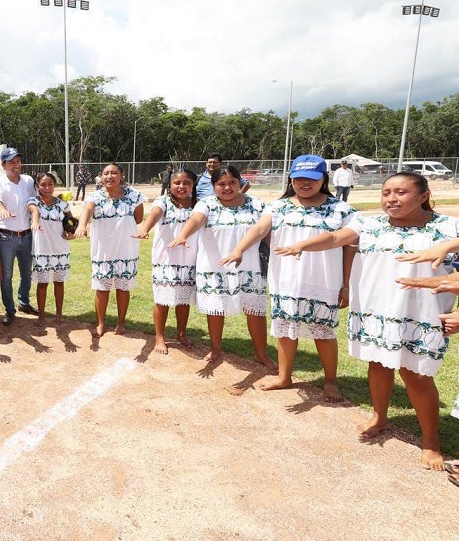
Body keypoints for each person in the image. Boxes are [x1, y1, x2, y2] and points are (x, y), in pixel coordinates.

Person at [276, 173, 456, 470]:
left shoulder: (447, 227)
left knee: (418, 377)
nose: (391, 199)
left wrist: (448, 246)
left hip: (420, 315)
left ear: (423, 196)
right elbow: (335, 238)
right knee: (379, 365)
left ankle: (430, 441)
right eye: (386, 192)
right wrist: (303, 245)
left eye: (401, 192)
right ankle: (380, 417)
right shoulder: (369, 224)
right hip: (377, 312)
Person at [220, 156, 356, 400]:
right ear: (291, 179)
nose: (305, 183)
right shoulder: (277, 207)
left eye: (312, 179)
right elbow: (259, 229)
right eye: (299, 178)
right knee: (285, 331)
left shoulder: (341, 210)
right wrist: (239, 249)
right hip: (286, 281)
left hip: (323, 282)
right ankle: (284, 376)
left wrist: (346, 286)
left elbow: (349, 248)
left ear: (323, 179)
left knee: (323, 332)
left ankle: (330, 381)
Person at [169, 165, 276, 368]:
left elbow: (266, 231)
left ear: (240, 183)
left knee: (255, 311)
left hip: (248, 267)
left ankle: (261, 353)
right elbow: (196, 219)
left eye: (232, 183)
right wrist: (183, 235)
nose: (227, 188)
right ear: (213, 185)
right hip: (214, 266)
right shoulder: (206, 204)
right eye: (221, 184)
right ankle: (216, 348)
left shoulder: (257, 204)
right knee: (216, 309)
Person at [75, 162, 145, 337]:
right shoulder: (95, 196)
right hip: (103, 249)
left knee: (123, 287)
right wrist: (82, 225)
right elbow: (87, 211)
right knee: (102, 288)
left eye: (114, 173)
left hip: (126, 249)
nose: (109, 176)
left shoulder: (135, 196)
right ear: (101, 176)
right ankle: (100, 323)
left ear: (121, 175)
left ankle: (121, 323)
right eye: (106, 173)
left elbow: (138, 218)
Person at [133, 168, 199, 354]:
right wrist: (145, 229)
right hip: (166, 258)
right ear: (169, 185)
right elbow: (154, 214)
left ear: (193, 185)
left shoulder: (199, 204)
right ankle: (159, 336)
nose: (182, 186)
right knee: (162, 300)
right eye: (177, 183)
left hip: (189, 258)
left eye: (186, 183)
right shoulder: (163, 201)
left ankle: (181, 333)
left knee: (183, 299)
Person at [0, 147, 37, 325]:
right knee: (7, 276)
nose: (16, 165)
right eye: (11, 162)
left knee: (27, 273)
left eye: (18, 161)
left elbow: (35, 200)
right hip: (6, 237)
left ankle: (23, 303)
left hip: (26, 235)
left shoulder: (28, 180)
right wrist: (2, 210)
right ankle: (9, 310)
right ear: (3, 165)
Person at [28, 172, 72, 325]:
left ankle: (59, 314)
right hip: (42, 250)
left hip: (60, 249)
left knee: (59, 283)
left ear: (55, 185)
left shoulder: (62, 204)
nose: (47, 188)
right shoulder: (33, 201)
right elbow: (35, 211)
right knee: (43, 284)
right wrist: (35, 222)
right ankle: (41, 315)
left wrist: (71, 233)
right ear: (37, 186)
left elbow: (70, 222)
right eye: (43, 185)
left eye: (50, 184)